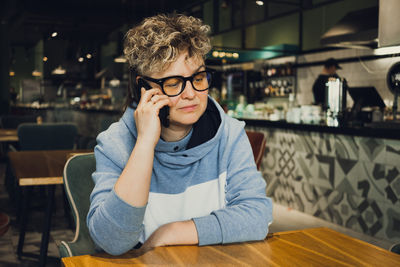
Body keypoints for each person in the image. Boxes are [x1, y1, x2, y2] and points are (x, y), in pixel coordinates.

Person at [87, 13, 273, 256]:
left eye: (197, 78)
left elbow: (257, 215)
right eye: (173, 83)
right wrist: (144, 144)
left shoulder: (230, 133)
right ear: (144, 88)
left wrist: (172, 232)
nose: (190, 94)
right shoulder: (115, 143)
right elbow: (111, 240)